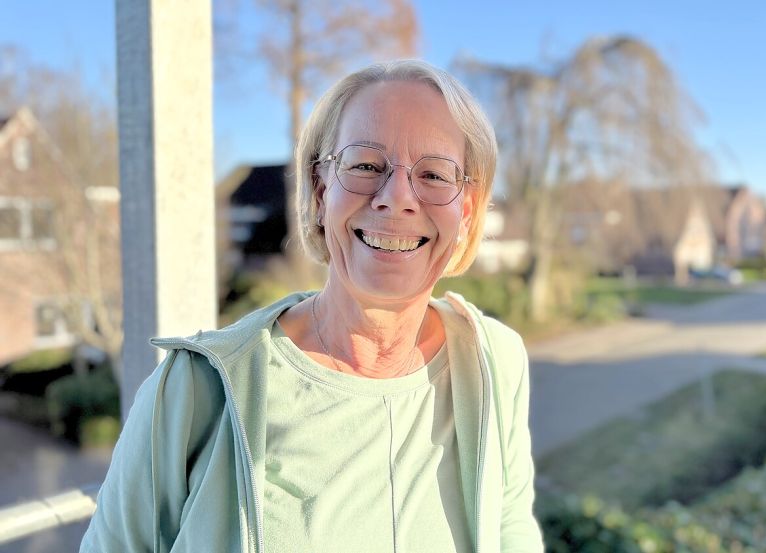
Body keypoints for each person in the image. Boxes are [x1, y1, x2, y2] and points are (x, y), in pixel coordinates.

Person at [81, 60, 543, 552]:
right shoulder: (196, 390)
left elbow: (511, 530)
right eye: (366, 165)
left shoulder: (494, 362)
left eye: (434, 174)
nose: (397, 197)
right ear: (321, 193)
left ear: (466, 212)